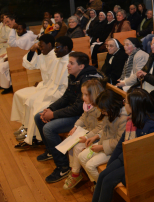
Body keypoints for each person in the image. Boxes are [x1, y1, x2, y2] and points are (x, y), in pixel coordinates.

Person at [34, 52, 103, 183]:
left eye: (71, 63)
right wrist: (51, 109)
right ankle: (51, 151)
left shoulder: (87, 80)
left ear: (81, 66)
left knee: (49, 128)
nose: (68, 65)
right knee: (39, 117)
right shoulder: (73, 76)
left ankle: (63, 166)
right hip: (78, 113)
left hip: (81, 115)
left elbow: (78, 108)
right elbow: (66, 97)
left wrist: (53, 115)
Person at [92, 88, 154, 202]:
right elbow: (121, 143)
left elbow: (144, 157)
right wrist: (111, 165)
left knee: (108, 180)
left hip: (138, 163)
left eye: (125, 102)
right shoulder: (134, 117)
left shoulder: (152, 126)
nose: (124, 104)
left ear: (134, 106)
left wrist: (125, 176)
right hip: (126, 156)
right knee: (103, 175)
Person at [13, 36, 73, 147]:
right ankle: (28, 131)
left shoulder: (65, 61)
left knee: (37, 106)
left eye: (41, 45)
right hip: (50, 89)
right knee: (31, 101)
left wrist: (49, 93)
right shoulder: (57, 58)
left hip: (57, 93)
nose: (40, 47)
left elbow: (64, 88)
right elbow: (30, 64)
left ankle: (35, 137)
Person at [78, 89, 127, 189]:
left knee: (90, 166)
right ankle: (97, 182)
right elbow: (105, 129)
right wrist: (95, 136)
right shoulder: (110, 113)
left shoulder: (123, 119)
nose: (103, 113)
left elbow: (119, 142)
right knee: (81, 157)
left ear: (112, 106)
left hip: (112, 151)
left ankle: (103, 186)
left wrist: (101, 147)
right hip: (103, 144)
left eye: (104, 111)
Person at [62, 79, 104, 190]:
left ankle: (76, 174)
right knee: (70, 143)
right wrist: (75, 127)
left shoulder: (100, 109)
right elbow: (83, 117)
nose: (83, 98)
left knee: (78, 147)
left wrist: (86, 137)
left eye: (86, 94)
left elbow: (100, 128)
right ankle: (74, 170)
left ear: (95, 95)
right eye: (83, 94)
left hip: (95, 137)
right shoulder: (88, 105)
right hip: (87, 131)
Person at [0, 22, 38, 94]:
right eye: (17, 29)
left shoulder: (25, 38)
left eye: (20, 29)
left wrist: (13, 29)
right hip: (17, 55)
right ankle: (4, 84)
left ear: (24, 29)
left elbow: (12, 43)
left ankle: (7, 86)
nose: (18, 31)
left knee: (2, 66)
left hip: (21, 58)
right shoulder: (28, 33)